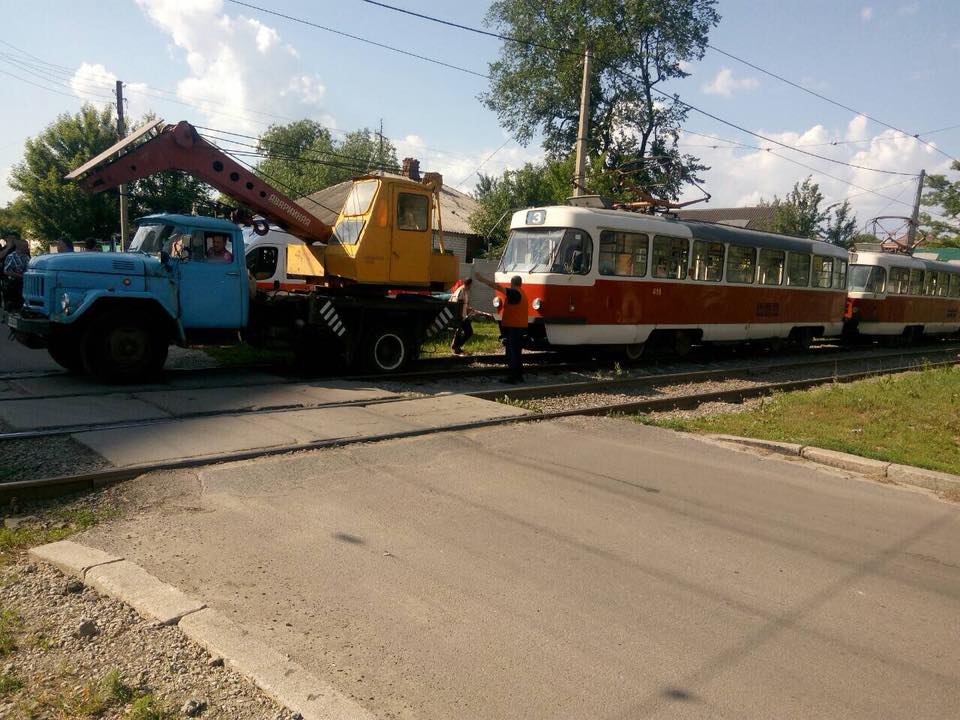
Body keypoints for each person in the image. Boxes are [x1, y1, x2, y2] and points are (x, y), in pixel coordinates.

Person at [475, 272, 527, 383]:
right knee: (517, 353)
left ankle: (512, 377)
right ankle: (519, 376)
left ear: (512, 283)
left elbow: (497, 287)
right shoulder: (522, 293)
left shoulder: (514, 293)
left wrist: (482, 279)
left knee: (512, 353)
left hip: (514, 328)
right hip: (520, 327)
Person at [450, 278, 474, 355]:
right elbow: (459, 303)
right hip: (460, 316)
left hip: (462, 315)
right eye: (471, 285)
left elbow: (463, 304)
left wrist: (467, 308)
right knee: (469, 331)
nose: (471, 286)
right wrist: (460, 317)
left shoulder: (464, 290)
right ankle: (456, 346)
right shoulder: (461, 290)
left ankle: (456, 347)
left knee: (460, 331)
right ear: (469, 284)